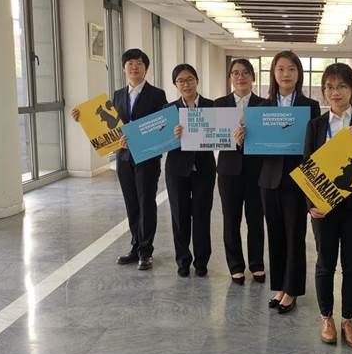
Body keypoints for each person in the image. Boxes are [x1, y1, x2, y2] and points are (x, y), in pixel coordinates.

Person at [303, 62, 352, 349]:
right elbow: (306, 165)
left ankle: (348, 319)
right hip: (323, 207)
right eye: (330, 87)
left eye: (342, 86)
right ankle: (326, 317)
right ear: (324, 91)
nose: (335, 92)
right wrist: (310, 204)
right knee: (325, 263)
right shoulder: (316, 125)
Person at [71, 48, 167, 270]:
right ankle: (135, 246)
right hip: (123, 158)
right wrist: (82, 118)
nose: (134, 67)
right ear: (124, 68)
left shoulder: (157, 94)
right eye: (130, 63)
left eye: (139, 63)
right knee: (131, 203)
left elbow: (161, 125)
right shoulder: (117, 95)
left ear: (146, 68)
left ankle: (146, 251)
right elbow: (109, 125)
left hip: (147, 158)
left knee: (146, 203)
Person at [255, 51, 320, 314]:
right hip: (269, 180)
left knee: (295, 236)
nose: (286, 74)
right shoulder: (262, 108)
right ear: (273, 73)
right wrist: (242, 138)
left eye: (291, 69)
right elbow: (255, 146)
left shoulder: (310, 106)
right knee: (275, 235)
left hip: (297, 180)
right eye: (281, 69)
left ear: (298, 74)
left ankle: (292, 289)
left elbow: (315, 146)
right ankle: (280, 286)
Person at [213, 59, 265, 286]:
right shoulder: (219, 105)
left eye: (245, 73)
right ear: (230, 78)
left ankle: (257, 263)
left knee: (256, 220)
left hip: (257, 171)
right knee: (231, 220)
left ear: (253, 77)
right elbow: (210, 134)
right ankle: (235, 266)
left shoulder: (265, 105)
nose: (240, 77)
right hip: (228, 171)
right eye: (235, 73)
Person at [168, 64, 216, 277]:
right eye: (181, 81)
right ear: (175, 85)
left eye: (189, 79)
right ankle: (183, 260)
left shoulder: (212, 106)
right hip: (177, 169)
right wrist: (172, 135)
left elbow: (221, 132)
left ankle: (202, 261)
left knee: (202, 214)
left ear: (197, 81)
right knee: (179, 215)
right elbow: (160, 140)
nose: (186, 84)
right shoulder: (169, 110)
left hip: (204, 168)